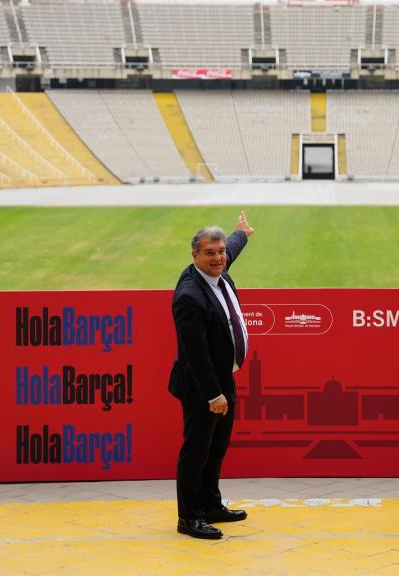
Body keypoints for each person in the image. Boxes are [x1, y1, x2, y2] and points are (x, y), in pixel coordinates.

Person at [170, 211, 255, 539]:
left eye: (221, 252)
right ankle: (189, 517)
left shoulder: (216, 271)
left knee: (216, 447)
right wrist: (213, 394)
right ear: (194, 256)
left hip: (223, 379)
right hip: (203, 387)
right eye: (210, 253)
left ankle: (211, 504)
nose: (219, 258)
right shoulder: (189, 297)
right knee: (197, 451)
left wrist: (241, 234)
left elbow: (228, 249)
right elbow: (195, 354)